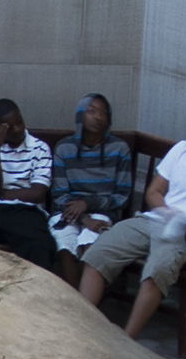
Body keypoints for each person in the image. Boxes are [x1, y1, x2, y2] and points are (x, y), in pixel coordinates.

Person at [74, 102, 186, 336]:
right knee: (98, 253)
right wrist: (168, 213)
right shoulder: (182, 149)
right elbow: (153, 192)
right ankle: (80, 328)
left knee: (157, 271)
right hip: (157, 219)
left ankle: (127, 339)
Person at [47, 98, 144, 248]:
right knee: (65, 246)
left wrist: (88, 203)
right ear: (80, 115)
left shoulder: (119, 148)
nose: (98, 117)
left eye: (103, 113)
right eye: (91, 111)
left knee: (90, 244)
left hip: (104, 212)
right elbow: (59, 195)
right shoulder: (64, 147)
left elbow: (122, 196)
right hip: (68, 211)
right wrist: (84, 218)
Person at [0, 98, 57, 258]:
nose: (18, 129)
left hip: (26, 210)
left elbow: (38, 194)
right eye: (9, 127)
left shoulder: (40, 148)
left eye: (19, 121)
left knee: (40, 247)